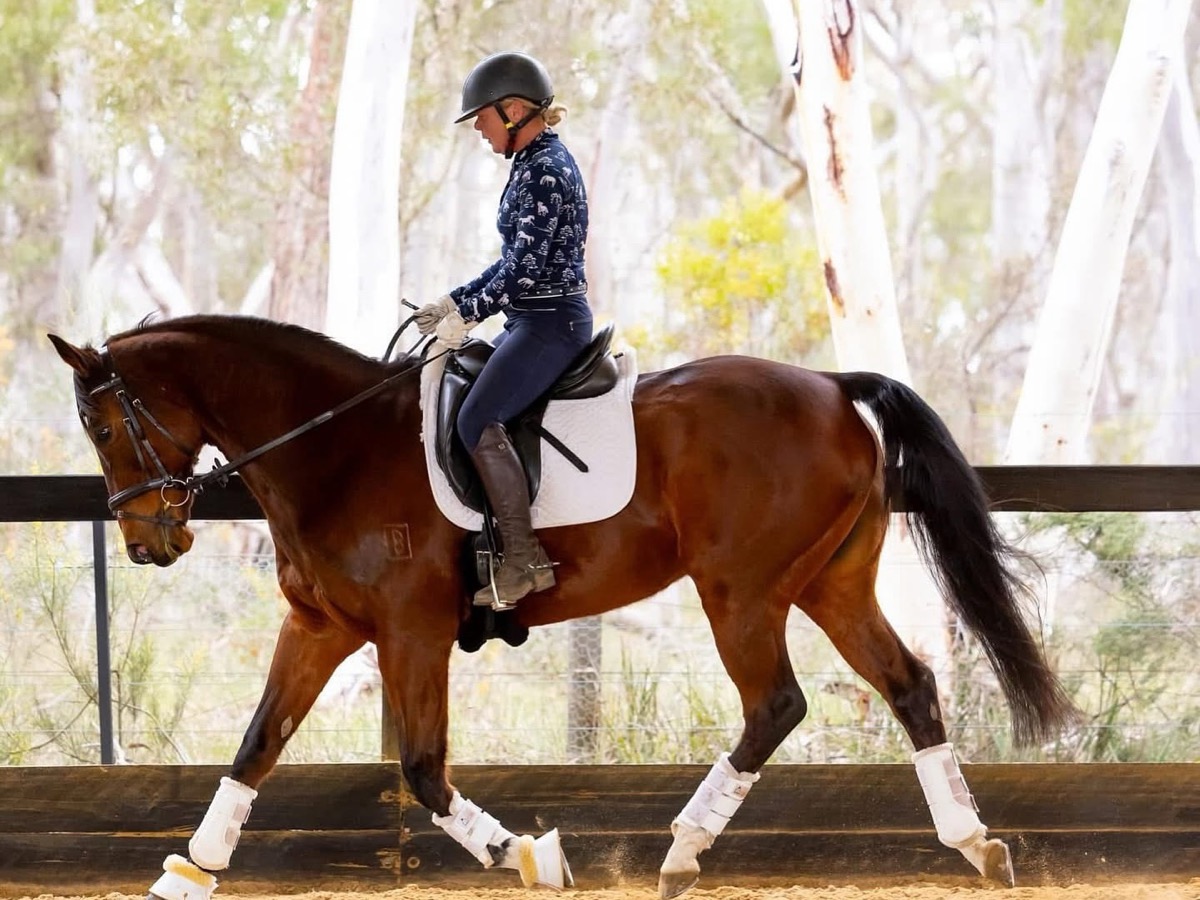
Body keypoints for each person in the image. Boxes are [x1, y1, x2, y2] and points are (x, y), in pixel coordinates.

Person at [415, 51, 593, 611]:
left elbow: (525, 271)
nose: (479, 130)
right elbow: (512, 261)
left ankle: (522, 559)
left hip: (551, 324)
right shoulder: (532, 163)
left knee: (475, 417)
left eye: (483, 119)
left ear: (514, 110)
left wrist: (467, 316)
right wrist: (455, 299)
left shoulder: (544, 169)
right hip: (532, 318)